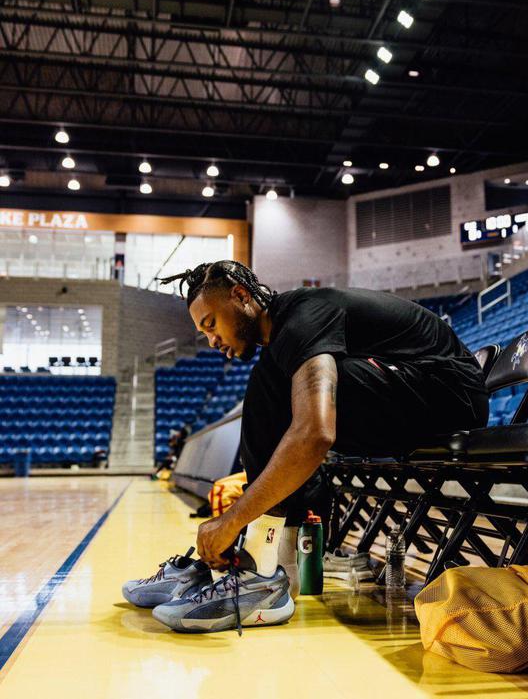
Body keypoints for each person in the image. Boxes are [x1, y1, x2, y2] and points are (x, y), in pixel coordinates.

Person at [123, 260, 488, 633]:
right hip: (407, 397)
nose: (212, 341)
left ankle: (261, 576)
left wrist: (232, 520)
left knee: (291, 398)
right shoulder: (284, 337)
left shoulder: (303, 317)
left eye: (211, 324)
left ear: (241, 296)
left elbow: (316, 434)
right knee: (270, 387)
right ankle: (265, 571)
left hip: (449, 399)